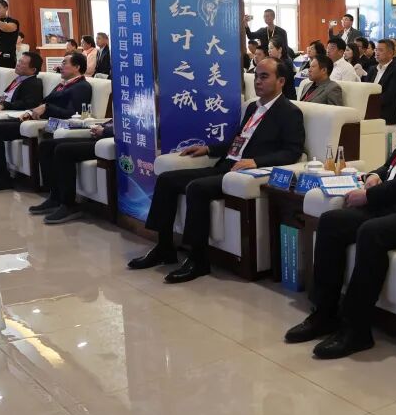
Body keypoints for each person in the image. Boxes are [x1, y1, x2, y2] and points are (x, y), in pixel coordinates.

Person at [284, 73, 396, 358]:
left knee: (372, 232)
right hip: (395, 204)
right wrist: (373, 175)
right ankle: (324, 313)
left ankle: (357, 329)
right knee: (332, 222)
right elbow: (392, 167)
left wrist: (370, 196)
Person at [131, 59, 305, 283]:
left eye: (264, 77)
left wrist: (256, 161)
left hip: (241, 175)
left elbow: (293, 152)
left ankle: (198, 260)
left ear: (281, 81)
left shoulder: (289, 112)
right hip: (225, 166)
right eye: (256, 76)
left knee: (197, 188)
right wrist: (209, 149)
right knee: (166, 179)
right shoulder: (253, 107)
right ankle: (164, 247)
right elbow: (238, 141)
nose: (258, 81)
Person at [0, 52, 93, 193]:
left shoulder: (82, 86)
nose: (60, 66)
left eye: (64, 63)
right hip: (36, 117)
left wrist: (46, 108)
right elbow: (44, 103)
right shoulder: (64, 84)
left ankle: (1, 178)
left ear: (77, 67)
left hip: (51, 123)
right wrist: (32, 111)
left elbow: (73, 113)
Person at [30, 119, 115, 223]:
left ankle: (69, 205)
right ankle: (55, 197)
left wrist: (105, 130)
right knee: (45, 146)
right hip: (98, 138)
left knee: (63, 150)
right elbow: (112, 122)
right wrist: (101, 126)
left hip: (106, 142)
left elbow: (127, 129)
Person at [365, 39, 396, 125]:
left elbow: (390, 95)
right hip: (369, 109)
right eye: (376, 49)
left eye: (380, 50)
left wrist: (370, 104)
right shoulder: (372, 69)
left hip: (386, 114)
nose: (377, 53)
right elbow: (365, 89)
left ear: (390, 53)